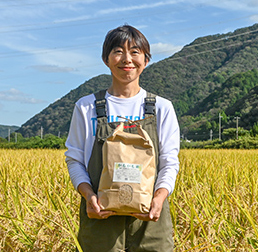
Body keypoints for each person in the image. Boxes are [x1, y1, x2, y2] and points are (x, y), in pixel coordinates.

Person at [65, 24, 180, 252]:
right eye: (118, 51)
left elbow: (169, 161)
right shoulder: (86, 107)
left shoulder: (162, 108)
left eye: (135, 52)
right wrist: (89, 196)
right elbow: (75, 160)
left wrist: (159, 198)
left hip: (149, 219)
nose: (127, 59)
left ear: (145, 61)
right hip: (100, 218)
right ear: (106, 59)